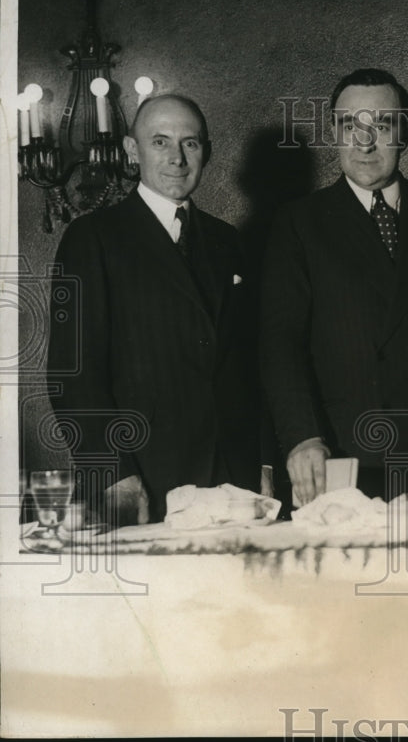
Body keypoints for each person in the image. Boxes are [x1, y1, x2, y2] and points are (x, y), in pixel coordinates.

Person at [260, 68, 408, 507]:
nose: (365, 142)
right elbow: (281, 342)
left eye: (382, 125)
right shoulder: (300, 223)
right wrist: (302, 437)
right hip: (341, 457)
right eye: (352, 125)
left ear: (404, 132)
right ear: (334, 133)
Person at [47, 94, 261, 523]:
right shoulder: (94, 238)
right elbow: (74, 374)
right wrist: (113, 474)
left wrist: (260, 470)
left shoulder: (227, 241)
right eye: (160, 142)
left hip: (232, 480)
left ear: (206, 151)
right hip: (143, 476)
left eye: (191, 143)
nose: (177, 159)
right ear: (132, 150)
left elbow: (248, 364)